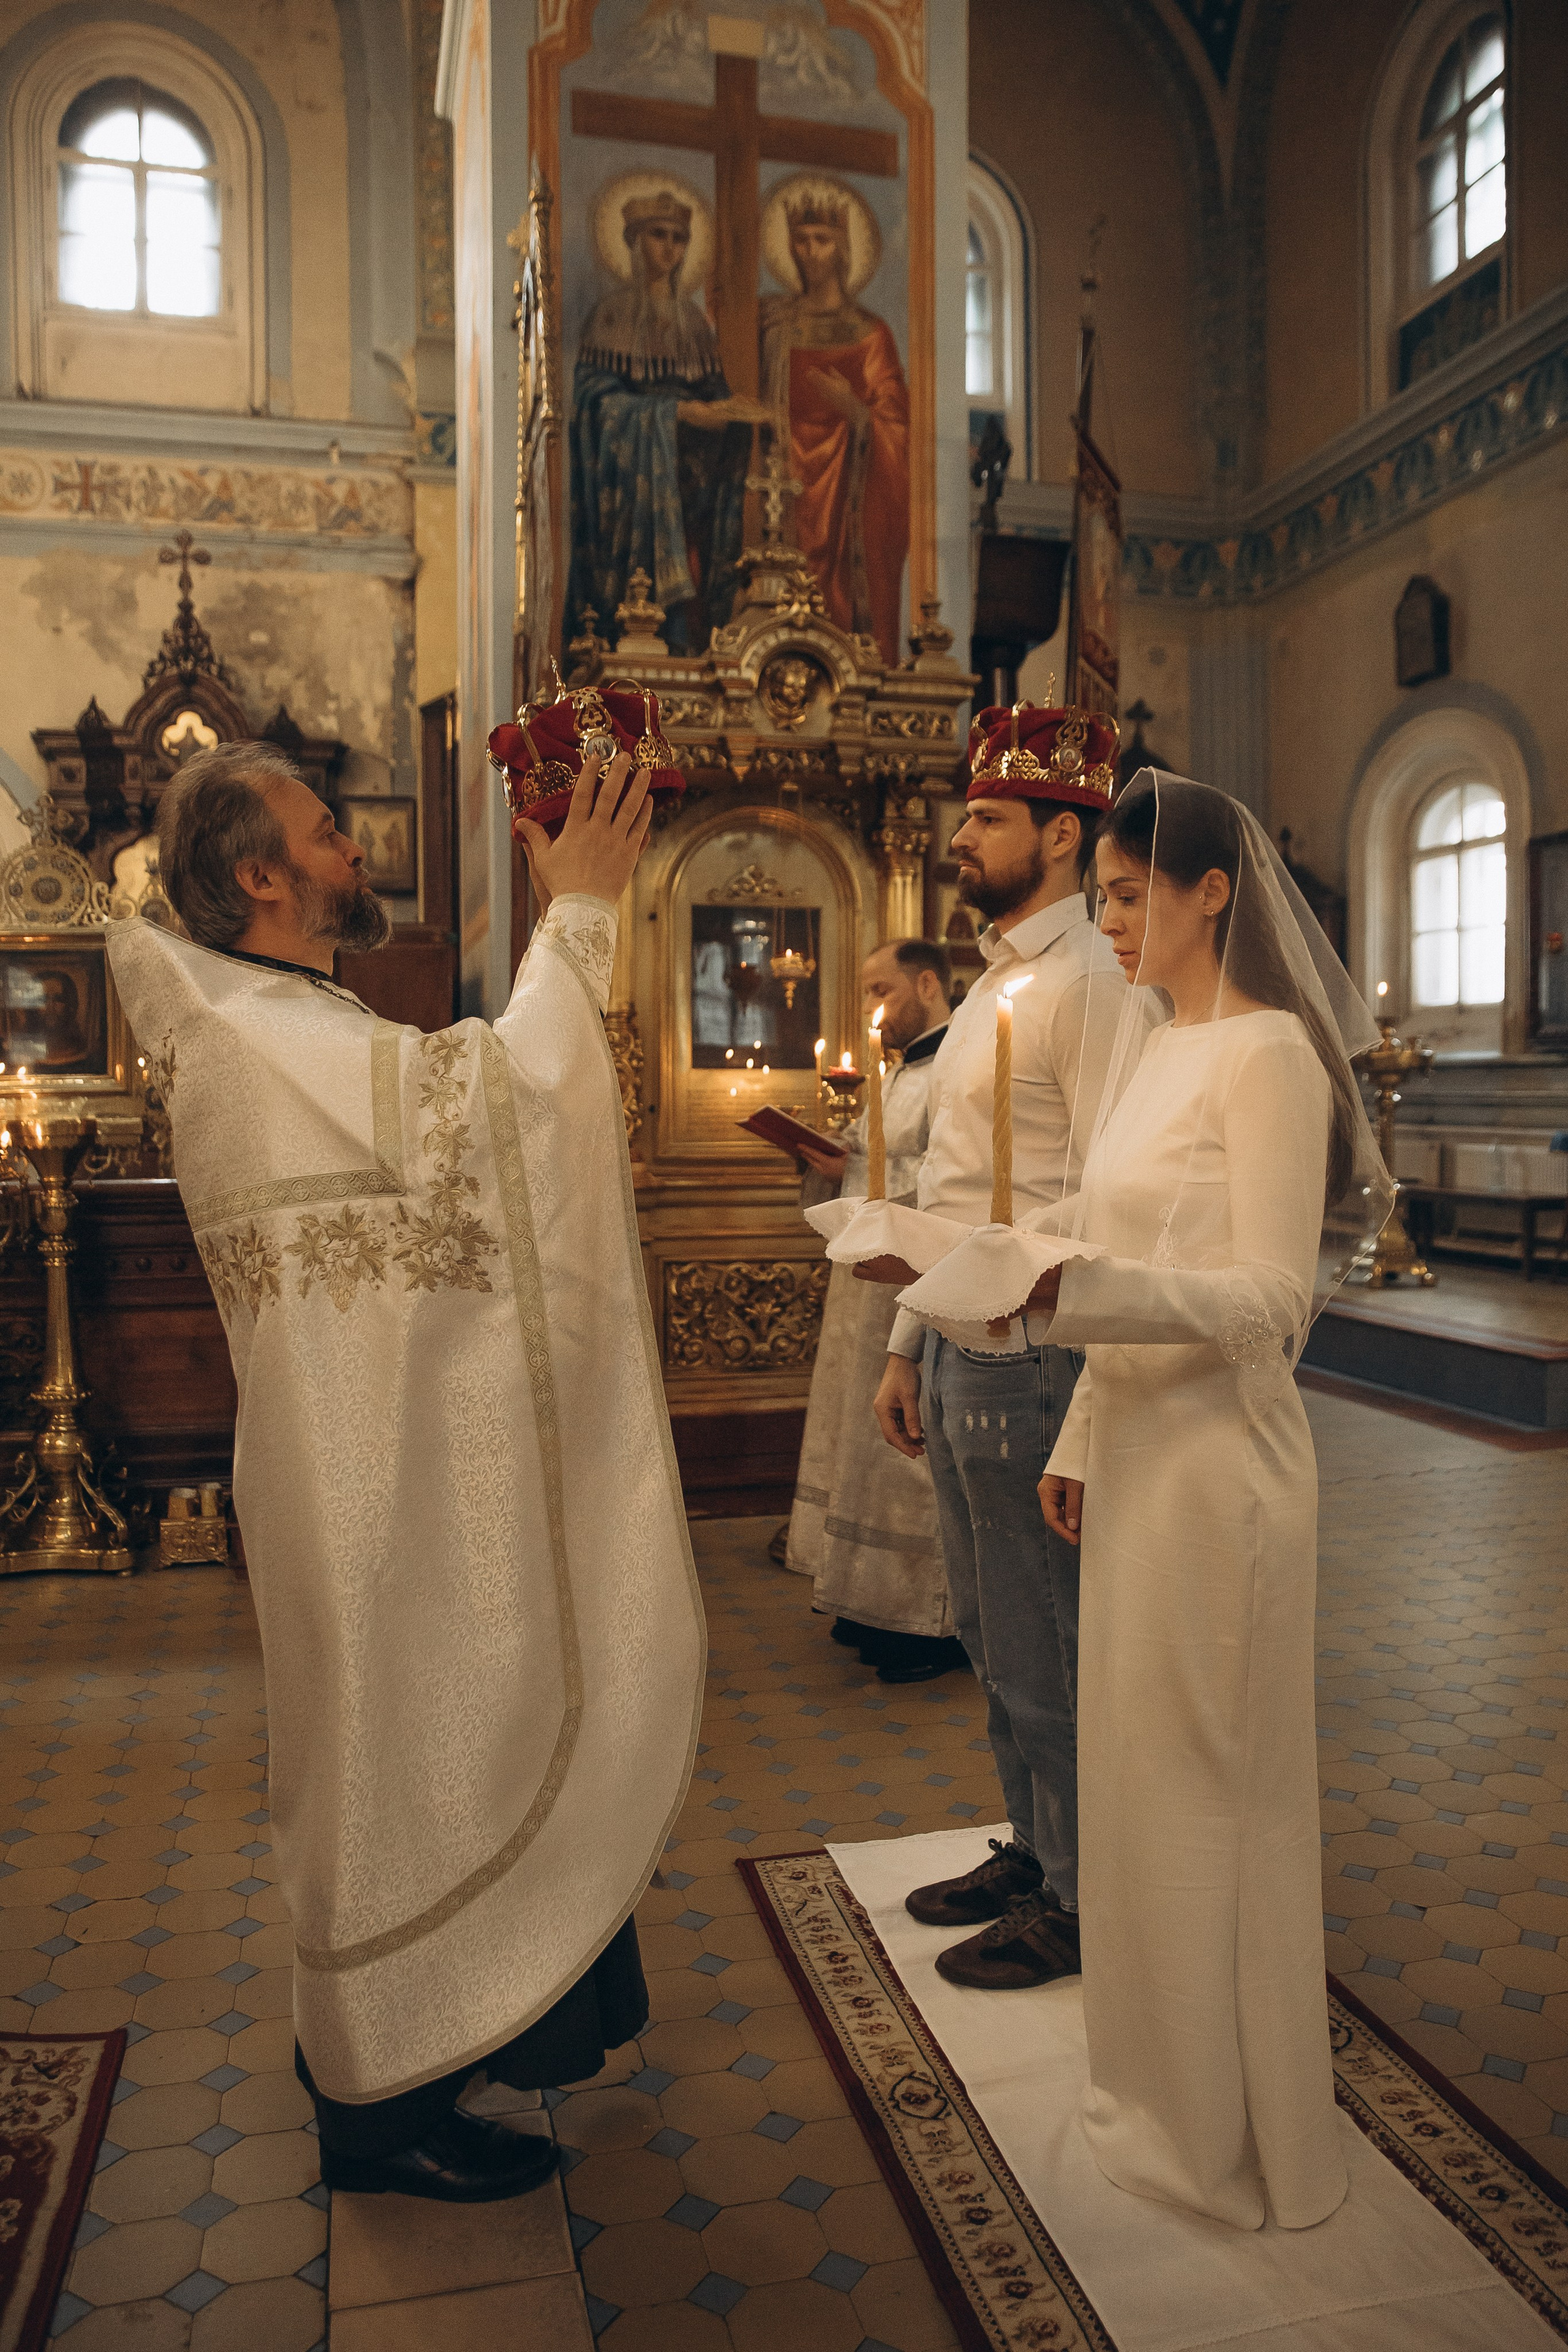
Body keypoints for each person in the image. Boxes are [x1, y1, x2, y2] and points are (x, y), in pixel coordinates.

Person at [107, 741, 704, 2204]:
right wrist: (578, 913)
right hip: (359, 1487)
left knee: (424, 1724)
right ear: (259, 874)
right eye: (326, 830)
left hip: (376, 1469)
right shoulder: (252, 1028)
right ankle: (378, 2106)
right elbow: (483, 1115)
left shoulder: (280, 1011)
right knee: (389, 1743)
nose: (353, 846)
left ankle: (432, 2039)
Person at [1030, 771, 1390, 2230]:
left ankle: (1231, 2126)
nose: (1107, 922)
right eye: (1103, 898)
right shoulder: (1154, 1046)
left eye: (1124, 896)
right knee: (1133, 1785)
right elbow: (1115, 1246)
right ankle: (1152, 2089)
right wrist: (1070, 1427)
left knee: (1207, 1798)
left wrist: (1069, 1294)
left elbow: (1266, 1299)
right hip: (1132, 1458)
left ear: (1208, 892)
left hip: (1223, 1476)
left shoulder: (1267, 1060)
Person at [872, 702, 1152, 1990]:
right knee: (989, 1627)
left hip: (1035, 1350)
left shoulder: (1094, 984)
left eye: (986, 816)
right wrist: (900, 1340)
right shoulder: (999, 972)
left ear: (1059, 831)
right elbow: (946, 1178)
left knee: (1046, 1634)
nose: (960, 832)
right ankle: (1034, 1854)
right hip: (959, 1342)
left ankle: (1088, 1898)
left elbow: (1113, 1192)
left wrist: (1038, 1338)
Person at [786, 939, 965, 1685]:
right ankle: (865, 1602)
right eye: (866, 994)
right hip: (868, 1285)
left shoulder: (955, 1070)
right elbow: (872, 1163)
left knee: (906, 1449)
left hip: (918, 1277)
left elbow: (960, 1177)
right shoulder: (894, 1076)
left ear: (928, 983)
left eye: (882, 990)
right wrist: (825, 1162)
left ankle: (923, 1621)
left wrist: (854, 1167)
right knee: (862, 1444)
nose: (873, 1009)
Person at [569, 189, 768, 652]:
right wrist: (672, 414)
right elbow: (594, 406)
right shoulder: (610, 315)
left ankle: (694, 645)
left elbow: (713, 393)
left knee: (696, 578)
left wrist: (736, 412)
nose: (669, 248)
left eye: (679, 238)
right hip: (634, 481)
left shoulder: (694, 323)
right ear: (635, 241)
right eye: (658, 235)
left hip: (689, 483)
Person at [760, 185, 910, 665]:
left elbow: (894, 425)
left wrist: (853, 409)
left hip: (845, 490)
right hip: (779, 482)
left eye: (822, 240)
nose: (809, 252)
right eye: (800, 240)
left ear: (843, 248)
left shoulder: (870, 335)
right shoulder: (775, 324)